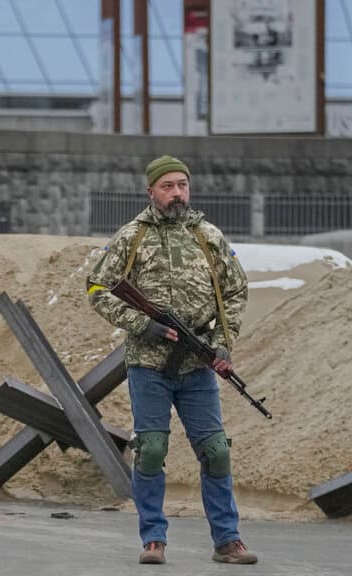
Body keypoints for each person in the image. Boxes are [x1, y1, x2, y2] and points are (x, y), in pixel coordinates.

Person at [86, 155, 257, 565]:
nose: (177, 193)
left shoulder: (208, 236)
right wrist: (141, 324)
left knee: (216, 451)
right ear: (151, 191)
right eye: (167, 186)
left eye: (182, 185)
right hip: (149, 365)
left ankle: (228, 540)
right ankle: (153, 539)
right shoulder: (132, 236)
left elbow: (236, 291)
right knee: (150, 449)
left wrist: (221, 343)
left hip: (197, 365)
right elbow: (96, 288)